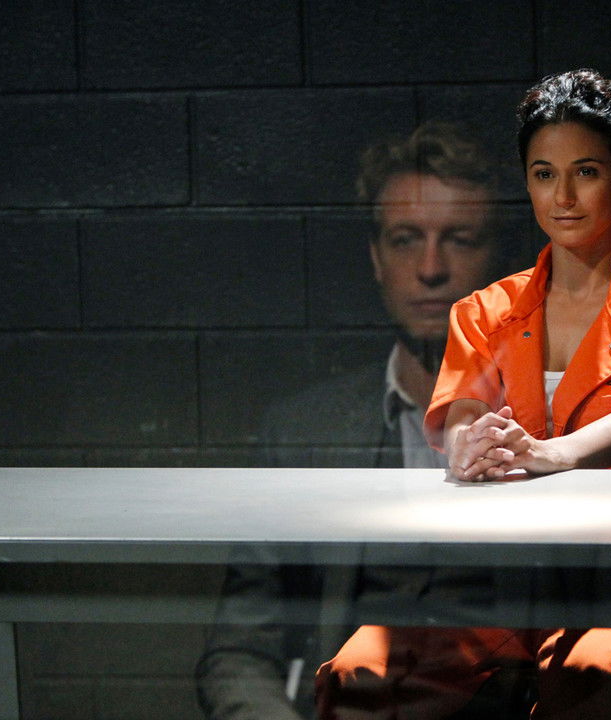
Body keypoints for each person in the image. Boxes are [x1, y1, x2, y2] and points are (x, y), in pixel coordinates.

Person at [316, 69, 611, 719]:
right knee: (358, 673)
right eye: (543, 174)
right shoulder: (483, 309)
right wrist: (469, 444)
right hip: (496, 579)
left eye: (586, 172)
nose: (563, 196)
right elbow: (464, 411)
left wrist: (554, 453)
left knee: (591, 678)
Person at [196, 122, 503, 720]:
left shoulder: (560, 428)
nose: (431, 268)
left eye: (461, 239)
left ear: (500, 259)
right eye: (405, 240)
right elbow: (239, 651)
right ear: (376, 259)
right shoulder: (301, 434)